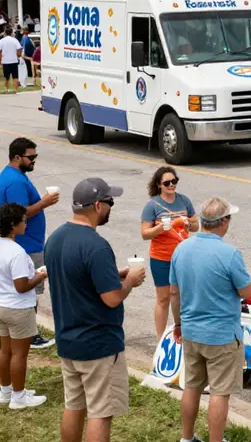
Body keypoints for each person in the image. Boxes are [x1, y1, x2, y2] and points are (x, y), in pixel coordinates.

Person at [44, 177, 145, 442]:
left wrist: (114, 275)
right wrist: (130, 281)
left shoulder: (54, 239)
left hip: (67, 340)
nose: (112, 207)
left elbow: (76, 277)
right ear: (98, 205)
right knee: (100, 412)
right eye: (110, 202)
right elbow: (112, 298)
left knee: (74, 406)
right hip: (98, 344)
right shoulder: (96, 245)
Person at [170, 197, 251, 442]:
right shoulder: (229, 253)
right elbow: (246, 291)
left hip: (192, 331)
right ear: (223, 222)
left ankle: (187, 438)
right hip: (222, 335)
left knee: (192, 386)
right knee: (220, 392)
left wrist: (178, 323)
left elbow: (173, 292)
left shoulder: (181, 249)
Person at [0, 137, 58, 350]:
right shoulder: (15, 181)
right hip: (27, 245)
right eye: (30, 157)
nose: (34, 161)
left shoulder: (11, 175)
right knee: (29, 292)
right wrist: (44, 203)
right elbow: (20, 213)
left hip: (25, 243)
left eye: (35, 156)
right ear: (17, 157)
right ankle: (30, 336)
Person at [140, 166, 198, 340]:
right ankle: (160, 338)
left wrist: (188, 223)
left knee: (182, 296)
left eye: (174, 181)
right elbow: (145, 234)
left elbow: (196, 225)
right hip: (161, 257)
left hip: (183, 256)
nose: (171, 185)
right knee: (164, 298)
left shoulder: (184, 200)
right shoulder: (152, 205)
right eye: (167, 183)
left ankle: (183, 334)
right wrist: (162, 227)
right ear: (159, 184)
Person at [0, 203, 48, 409]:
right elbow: (21, 286)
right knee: (19, 354)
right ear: (13, 225)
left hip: (1, 305)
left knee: (5, 351)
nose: (26, 224)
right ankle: (18, 398)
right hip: (18, 309)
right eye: (23, 221)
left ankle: (5, 392)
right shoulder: (17, 252)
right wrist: (41, 275)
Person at [0, 27, 22, 94]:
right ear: (12, 32)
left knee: (6, 77)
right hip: (14, 60)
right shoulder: (15, 40)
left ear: (5, 33)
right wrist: (18, 55)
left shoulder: (2, 40)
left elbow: (0, 51)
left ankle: (6, 89)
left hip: (5, 61)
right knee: (15, 76)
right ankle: (16, 90)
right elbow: (19, 49)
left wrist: (0, 60)